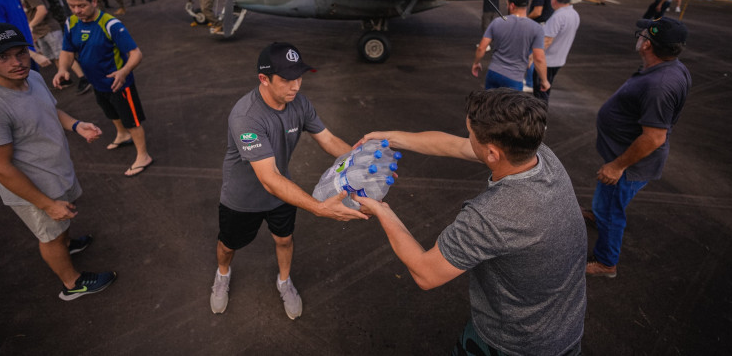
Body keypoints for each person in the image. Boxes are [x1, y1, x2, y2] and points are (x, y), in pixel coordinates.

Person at [353, 89, 586, 355]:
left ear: (492, 154)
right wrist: (390, 138)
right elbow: (455, 146)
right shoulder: (539, 153)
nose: (467, 139)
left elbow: (425, 273)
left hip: (515, 344)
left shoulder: (492, 216)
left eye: (471, 134)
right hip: (565, 327)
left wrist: (383, 211)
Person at [210, 42, 368, 319]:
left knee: (284, 240)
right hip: (242, 198)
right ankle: (222, 275)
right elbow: (268, 178)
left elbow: (328, 140)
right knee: (228, 245)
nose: (295, 85)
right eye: (286, 79)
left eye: (299, 76)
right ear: (264, 79)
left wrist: (363, 163)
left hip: (282, 193)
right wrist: (319, 207)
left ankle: (284, 281)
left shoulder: (299, 103)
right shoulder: (246, 117)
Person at [0, 23, 116, 300]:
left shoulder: (32, 76)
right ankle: (73, 284)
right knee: (51, 237)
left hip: (56, 173)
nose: (17, 63)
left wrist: (76, 125)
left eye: (21, 53)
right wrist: (47, 204)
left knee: (61, 227)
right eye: (2, 57)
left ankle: (66, 241)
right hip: (35, 190)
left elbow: (50, 110)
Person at [585, 18, 691, 278]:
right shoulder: (668, 69)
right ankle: (599, 215)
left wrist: (617, 165)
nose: (639, 36)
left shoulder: (660, 85)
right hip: (623, 154)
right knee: (606, 203)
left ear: (647, 44)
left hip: (630, 165)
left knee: (613, 213)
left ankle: (606, 262)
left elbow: (654, 137)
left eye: (642, 34)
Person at [54, 0, 153, 177]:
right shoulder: (71, 23)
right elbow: (67, 50)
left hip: (119, 84)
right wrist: (62, 69)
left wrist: (123, 72)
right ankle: (122, 135)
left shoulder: (110, 24)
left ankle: (143, 155)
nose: (76, 11)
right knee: (110, 111)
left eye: (81, 6)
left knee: (131, 120)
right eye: (71, 6)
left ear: (94, 1)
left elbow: (136, 54)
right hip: (97, 82)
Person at [17, 0, 90, 95]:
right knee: (56, 56)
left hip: (48, 28)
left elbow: (42, 10)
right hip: (41, 30)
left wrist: (31, 26)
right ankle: (65, 78)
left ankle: (83, 78)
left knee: (64, 53)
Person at [472, 0, 549, 93]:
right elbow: (539, 58)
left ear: (512, 5)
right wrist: (544, 80)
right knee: (510, 107)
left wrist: (476, 63)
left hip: (494, 72)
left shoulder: (497, 22)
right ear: (526, 5)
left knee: (489, 105)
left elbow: (482, 47)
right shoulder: (536, 29)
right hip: (514, 78)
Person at [532, 0, 580, 104]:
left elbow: (546, 41)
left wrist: (531, 58)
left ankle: (540, 121)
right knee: (544, 92)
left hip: (547, 62)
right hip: (559, 60)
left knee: (540, 93)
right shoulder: (574, 14)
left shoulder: (558, 17)